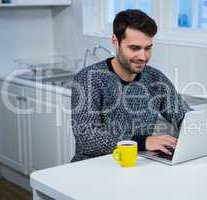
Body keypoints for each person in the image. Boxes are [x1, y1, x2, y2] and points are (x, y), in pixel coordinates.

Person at [71, 9, 190, 162]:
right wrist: (142, 141)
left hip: (136, 166)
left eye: (148, 48)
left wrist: (201, 123)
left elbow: (183, 115)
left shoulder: (156, 79)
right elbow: (87, 137)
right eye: (134, 48)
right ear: (115, 41)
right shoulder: (88, 79)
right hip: (92, 168)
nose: (143, 57)